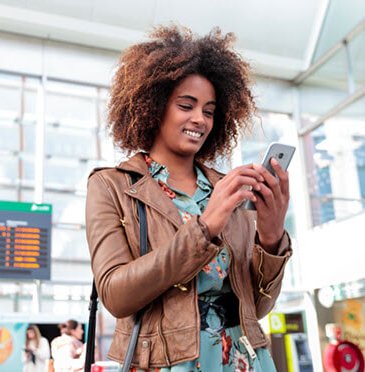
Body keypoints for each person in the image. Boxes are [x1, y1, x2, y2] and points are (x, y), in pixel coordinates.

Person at [86, 24, 292, 372]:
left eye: (209, 111)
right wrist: (205, 227)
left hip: (245, 360)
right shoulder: (112, 186)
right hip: (167, 363)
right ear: (152, 106)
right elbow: (116, 294)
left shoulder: (226, 188)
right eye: (186, 105)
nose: (200, 119)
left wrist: (271, 239)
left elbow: (255, 308)